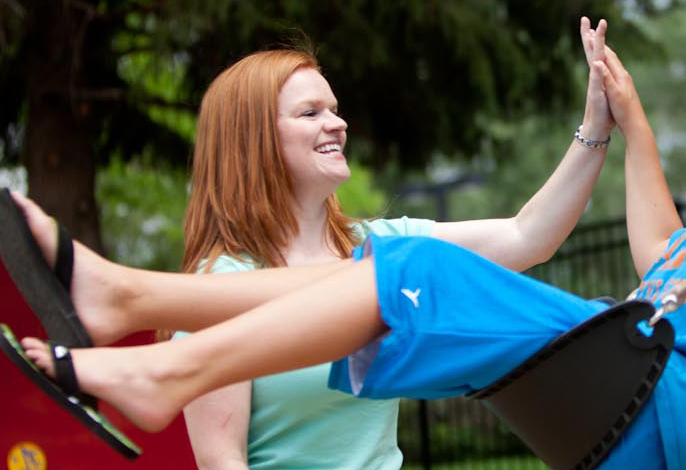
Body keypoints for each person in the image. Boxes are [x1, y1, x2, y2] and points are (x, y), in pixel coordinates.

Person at [0, 5, 686, 470]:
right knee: (394, 273)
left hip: (656, 395)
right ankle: (131, 306)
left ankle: (140, 330)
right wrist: (631, 124)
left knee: (408, 268)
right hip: (631, 374)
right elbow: (661, 263)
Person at [168, 18, 615, 470]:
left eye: (334, 109)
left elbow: (527, 236)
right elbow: (223, 460)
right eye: (311, 113)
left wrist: (596, 124)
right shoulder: (219, 292)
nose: (338, 124)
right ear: (253, 139)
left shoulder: (384, 250)